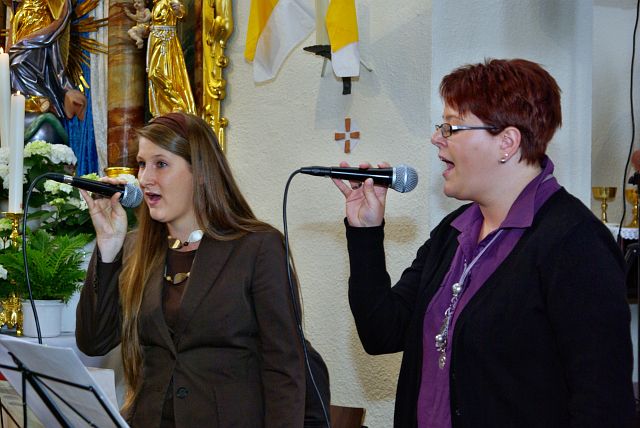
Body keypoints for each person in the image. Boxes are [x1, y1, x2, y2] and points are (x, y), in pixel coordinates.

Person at [332, 58, 635, 427]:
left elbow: (603, 406)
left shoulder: (575, 244)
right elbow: (382, 332)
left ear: (507, 142)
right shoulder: (453, 231)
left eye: (451, 127)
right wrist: (365, 232)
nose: (436, 138)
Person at [76, 112, 305, 426]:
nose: (145, 178)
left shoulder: (257, 247)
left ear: (200, 172)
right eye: (142, 164)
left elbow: (284, 367)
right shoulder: (134, 248)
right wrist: (108, 243)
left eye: (161, 164)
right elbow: (94, 342)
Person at [146, 0, 196, 117]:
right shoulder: (156, 4)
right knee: (153, 74)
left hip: (166, 41)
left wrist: (178, 9)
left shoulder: (169, 1)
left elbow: (182, 14)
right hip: (155, 40)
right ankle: (161, 111)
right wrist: (145, 28)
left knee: (156, 73)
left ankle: (178, 103)